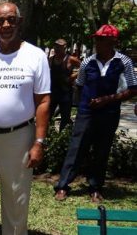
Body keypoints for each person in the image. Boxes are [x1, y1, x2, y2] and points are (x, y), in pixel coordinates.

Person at [0, 2, 51, 235]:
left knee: (16, 195)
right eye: (1, 21)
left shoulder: (35, 56)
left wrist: (39, 142)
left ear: (19, 22)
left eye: (11, 20)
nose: (6, 25)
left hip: (18, 136)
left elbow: (43, 101)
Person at [54, 24, 137, 203]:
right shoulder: (87, 61)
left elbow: (132, 89)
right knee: (76, 148)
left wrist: (107, 99)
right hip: (86, 112)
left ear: (112, 41)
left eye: (101, 39)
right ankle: (62, 186)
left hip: (109, 112)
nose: (97, 43)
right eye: (96, 39)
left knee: (102, 150)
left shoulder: (124, 62)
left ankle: (95, 187)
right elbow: (81, 84)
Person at [49, 39, 81, 131]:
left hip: (66, 93)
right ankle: (48, 137)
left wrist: (72, 77)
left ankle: (62, 139)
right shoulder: (51, 59)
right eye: (56, 46)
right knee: (48, 116)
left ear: (64, 47)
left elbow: (83, 67)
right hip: (53, 92)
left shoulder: (71, 59)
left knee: (65, 118)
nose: (57, 49)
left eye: (59, 47)